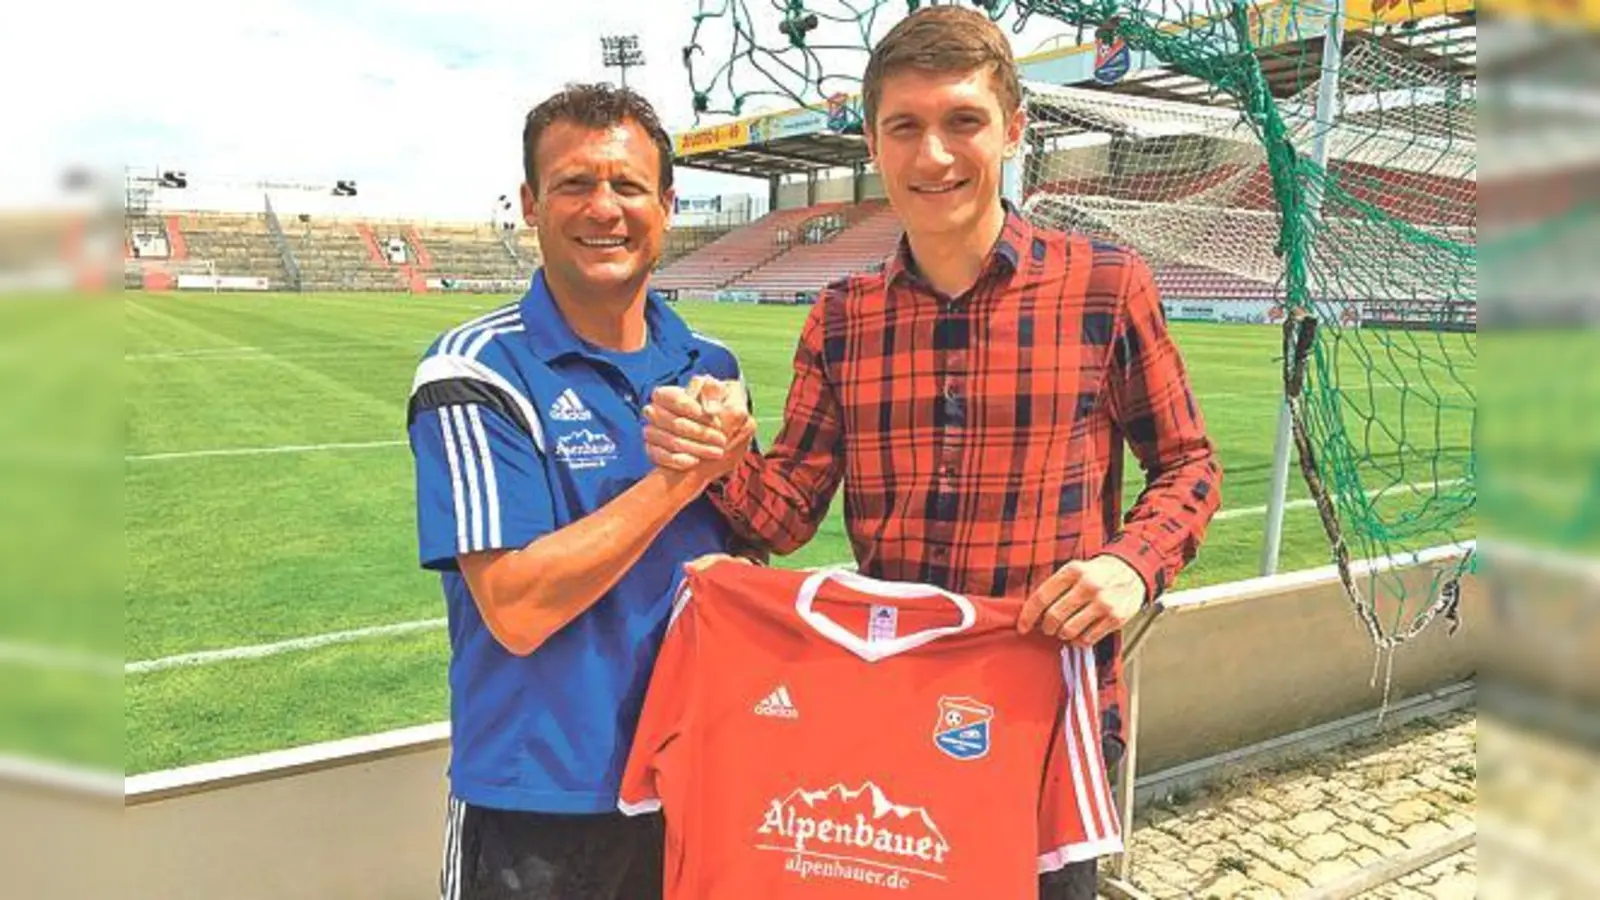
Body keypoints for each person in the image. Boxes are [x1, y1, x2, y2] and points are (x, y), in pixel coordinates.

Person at [641, 7, 1223, 898]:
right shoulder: (842, 316)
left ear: (1014, 128)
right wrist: (720, 458)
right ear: (874, 142)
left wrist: (1131, 564)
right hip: (893, 720)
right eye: (904, 127)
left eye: (963, 121)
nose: (934, 156)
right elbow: (789, 514)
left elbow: (1188, 463)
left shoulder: (1106, 286)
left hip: (1046, 713)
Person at [406, 82, 751, 900]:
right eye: (574, 184)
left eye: (628, 186)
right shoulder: (473, 368)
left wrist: (745, 466)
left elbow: (741, 559)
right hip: (540, 806)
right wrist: (678, 480)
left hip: (689, 781)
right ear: (531, 203)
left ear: (666, 205)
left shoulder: (713, 366)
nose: (605, 208)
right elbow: (519, 608)